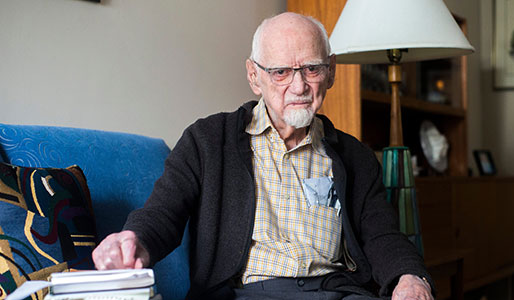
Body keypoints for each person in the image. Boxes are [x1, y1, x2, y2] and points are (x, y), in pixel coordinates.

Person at [92, 12, 434, 300]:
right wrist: (134, 240)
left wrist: (410, 277)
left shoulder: (355, 156)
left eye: (311, 69)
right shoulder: (208, 140)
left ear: (331, 70)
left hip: (336, 291)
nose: (299, 86)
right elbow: (163, 212)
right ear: (255, 76)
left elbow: (383, 235)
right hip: (246, 293)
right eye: (281, 72)